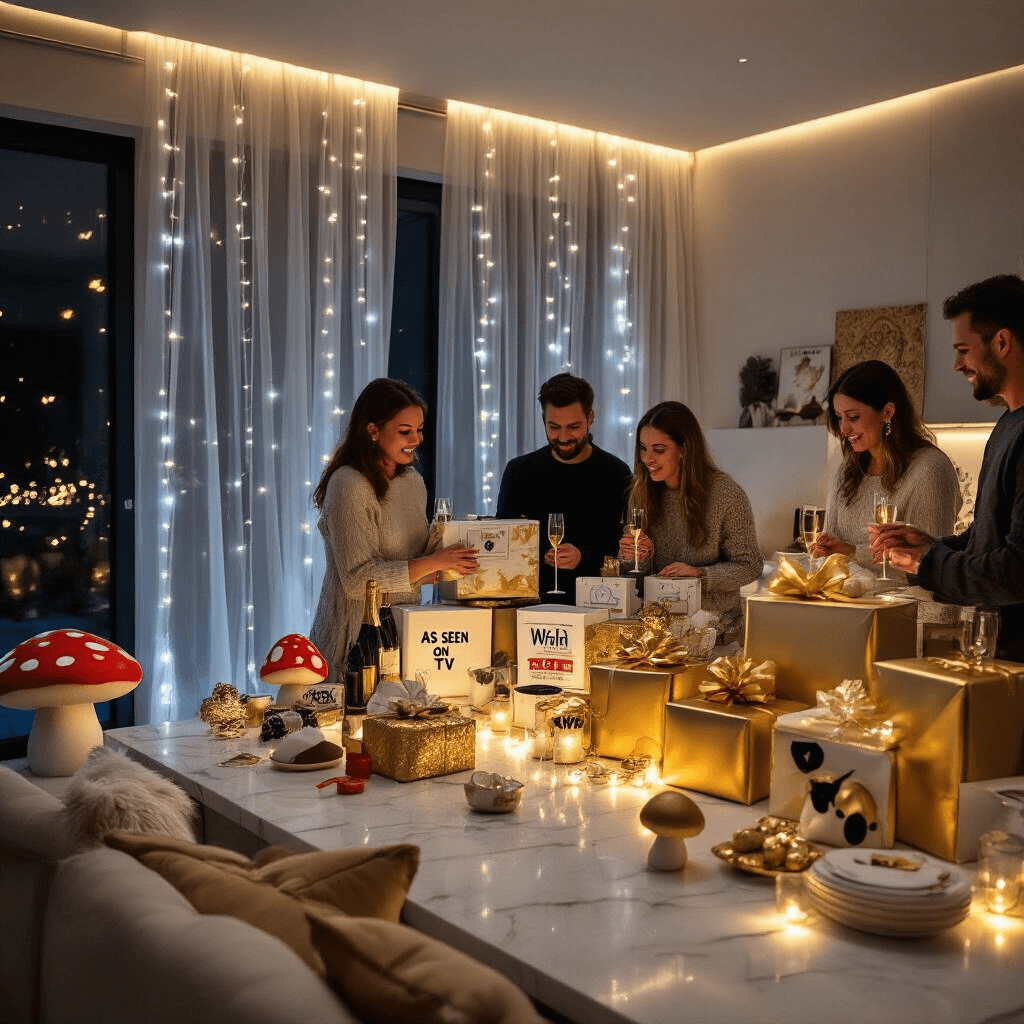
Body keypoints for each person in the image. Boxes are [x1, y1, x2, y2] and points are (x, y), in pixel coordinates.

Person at [873, 274, 1024, 660]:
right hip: (998, 652)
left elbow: (1016, 570)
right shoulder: (1008, 424)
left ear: (1002, 342)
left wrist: (931, 562)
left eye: (963, 349)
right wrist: (929, 545)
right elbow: (986, 538)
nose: (957, 364)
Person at [310, 378, 479, 687]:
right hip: (353, 641)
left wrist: (442, 564)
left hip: (403, 637)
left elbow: (406, 565)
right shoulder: (348, 485)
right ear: (372, 431)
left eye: (419, 429)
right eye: (405, 431)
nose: (416, 439)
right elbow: (357, 580)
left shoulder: (412, 482)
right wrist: (433, 562)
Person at [619, 400, 763, 644]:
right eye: (643, 448)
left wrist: (699, 575)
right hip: (659, 632)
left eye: (659, 449)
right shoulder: (641, 494)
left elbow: (750, 566)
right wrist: (636, 557)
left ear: (684, 448)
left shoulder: (725, 494)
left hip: (716, 632)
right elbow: (634, 580)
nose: (648, 459)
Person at [813, 359, 961, 579]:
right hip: (850, 604)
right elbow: (832, 540)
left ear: (887, 412)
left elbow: (929, 562)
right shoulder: (847, 470)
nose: (843, 428)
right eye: (839, 417)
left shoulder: (930, 469)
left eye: (853, 417)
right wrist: (826, 548)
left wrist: (852, 552)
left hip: (913, 608)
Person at [496, 373, 632, 604]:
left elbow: (621, 547)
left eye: (573, 427)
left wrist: (584, 554)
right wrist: (541, 554)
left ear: (591, 418)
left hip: (598, 602)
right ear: (543, 421)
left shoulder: (616, 473)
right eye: (554, 427)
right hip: (530, 602)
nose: (563, 437)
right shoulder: (519, 471)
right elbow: (505, 541)